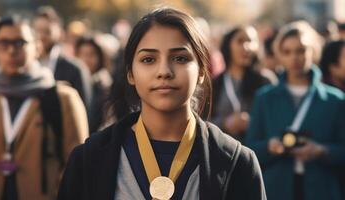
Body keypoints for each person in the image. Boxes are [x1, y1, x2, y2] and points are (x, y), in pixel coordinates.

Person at [57, 7, 266, 200]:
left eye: (180, 58)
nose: (164, 71)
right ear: (130, 73)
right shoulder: (88, 160)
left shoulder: (238, 164)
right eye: (148, 59)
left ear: (202, 71)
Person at [246, 22, 345, 200]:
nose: (294, 57)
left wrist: (321, 150)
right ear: (279, 55)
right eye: (287, 51)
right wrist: (270, 146)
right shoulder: (265, 98)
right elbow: (250, 148)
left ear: (313, 51)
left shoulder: (335, 100)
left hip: (322, 189)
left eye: (301, 50)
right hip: (276, 188)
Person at [0, 16, 89, 200]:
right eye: (3, 43)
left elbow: (78, 167)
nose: (12, 50)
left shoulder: (62, 98)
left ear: (37, 47)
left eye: (20, 42)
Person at [211, 26, 276, 142]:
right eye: (240, 41)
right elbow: (202, 122)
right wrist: (225, 123)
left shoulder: (266, 80)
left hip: (257, 152)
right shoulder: (215, 83)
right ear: (228, 45)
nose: (247, 47)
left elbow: (277, 119)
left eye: (251, 41)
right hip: (222, 153)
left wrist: (254, 123)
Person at [32, 6, 92, 107]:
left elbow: (84, 111)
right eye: (37, 31)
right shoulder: (23, 67)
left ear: (59, 32)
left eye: (47, 31)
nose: (41, 36)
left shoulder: (75, 69)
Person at [75, 35, 113, 133]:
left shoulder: (105, 84)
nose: (86, 59)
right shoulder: (72, 82)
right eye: (82, 54)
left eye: (91, 55)